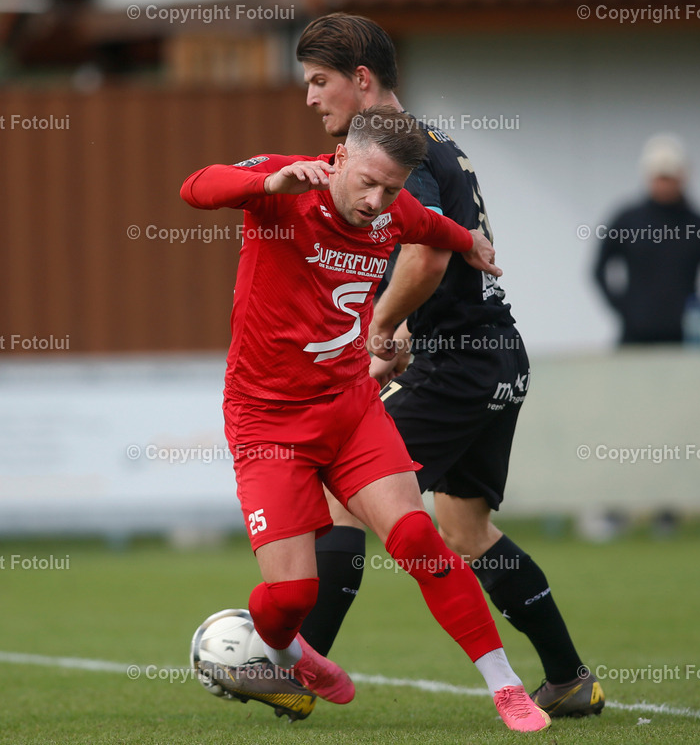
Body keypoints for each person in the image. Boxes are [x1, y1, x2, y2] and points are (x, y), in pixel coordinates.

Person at [180, 104, 551, 732]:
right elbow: (196, 187)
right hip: (267, 423)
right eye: (368, 182)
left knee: (416, 539)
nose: (378, 200)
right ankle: (292, 652)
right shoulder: (286, 187)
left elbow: (433, 227)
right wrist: (265, 183)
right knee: (292, 597)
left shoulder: (394, 208)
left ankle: (507, 687)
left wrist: (471, 242)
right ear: (341, 158)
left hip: (349, 409)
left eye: (391, 189)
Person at [290, 12, 603, 720]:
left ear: (361, 80)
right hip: (491, 355)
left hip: (459, 363)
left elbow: (424, 252)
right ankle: (570, 678)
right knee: (465, 529)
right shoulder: (433, 144)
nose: (310, 99)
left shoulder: (405, 153)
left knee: (343, 493)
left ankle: (297, 674)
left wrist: (381, 327)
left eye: (319, 82)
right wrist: (397, 329)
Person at [594, 133, 700, 345]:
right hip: (635, 338)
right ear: (648, 176)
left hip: (685, 340)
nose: (665, 184)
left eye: (670, 177)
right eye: (659, 177)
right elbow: (598, 269)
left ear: (683, 176)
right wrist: (624, 308)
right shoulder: (627, 221)